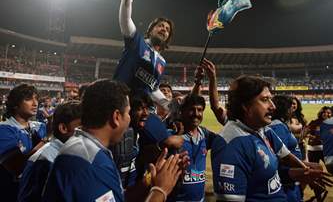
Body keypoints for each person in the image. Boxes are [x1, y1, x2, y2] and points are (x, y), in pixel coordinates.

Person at [43, 79, 181, 202]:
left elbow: (115, 196)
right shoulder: (89, 164)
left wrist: (149, 181)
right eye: (128, 112)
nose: (129, 118)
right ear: (116, 117)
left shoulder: (88, 150)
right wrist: (160, 191)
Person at [211, 75, 331, 202]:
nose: (273, 106)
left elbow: (285, 157)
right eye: (265, 100)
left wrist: (306, 171)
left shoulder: (263, 129)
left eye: (271, 99)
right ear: (245, 106)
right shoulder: (230, 146)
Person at [113, 0, 174, 110]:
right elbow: (125, 19)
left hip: (143, 112)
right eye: (160, 26)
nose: (163, 30)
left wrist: (168, 105)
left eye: (167, 29)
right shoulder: (137, 41)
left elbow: (152, 89)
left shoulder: (162, 62)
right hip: (119, 106)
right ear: (151, 30)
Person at [18, 101, 82, 202]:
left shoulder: (73, 151)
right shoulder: (45, 160)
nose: (88, 134)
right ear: (63, 128)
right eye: (81, 128)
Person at [0, 84, 47, 202]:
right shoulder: (4, 130)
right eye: (29, 99)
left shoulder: (40, 127)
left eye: (36, 99)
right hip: (11, 193)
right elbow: (17, 167)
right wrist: (46, 140)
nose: (35, 103)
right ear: (15, 104)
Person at [168, 94, 216, 202]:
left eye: (200, 110)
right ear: (182, 111)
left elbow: (225, 141)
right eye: (191, 109)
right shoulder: (172, 136)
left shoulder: (205, 135)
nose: (196, 114)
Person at [270, 95, 303, 202]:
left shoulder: (280, 124)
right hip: (287, 183)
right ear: (285, 109)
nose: (292, 109)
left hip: (291, 179)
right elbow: (280, 157)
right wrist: (303, 170)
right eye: (290, 107)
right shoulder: (278, 126)